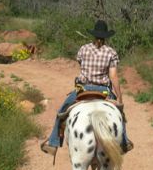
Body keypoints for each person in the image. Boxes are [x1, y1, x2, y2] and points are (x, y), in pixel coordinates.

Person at [40, 20, 134, 157]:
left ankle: (53, 143)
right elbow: (113, 76)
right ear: (106, 36)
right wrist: (119, 98)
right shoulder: (111, 52)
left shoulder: (83, 49)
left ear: (94, 35)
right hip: (104, 91)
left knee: (61, 112)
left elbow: (80, 64)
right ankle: (124, 142)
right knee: (120, 114)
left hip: (83, 89)